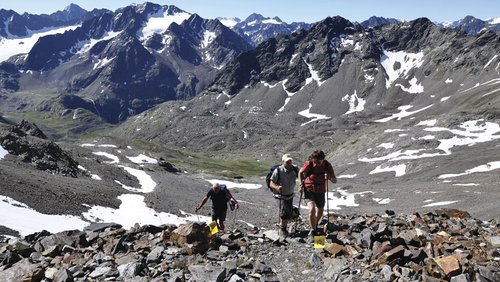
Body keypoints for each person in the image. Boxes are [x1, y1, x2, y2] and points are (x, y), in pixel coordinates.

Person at [298, 149, 336, 241]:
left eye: (319, 161)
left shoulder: (327, 165)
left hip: (321, 190)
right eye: (316, 161)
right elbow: (300, 172)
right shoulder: (309, 164)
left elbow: (335, 180)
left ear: (323, 159)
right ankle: (313, 230)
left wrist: (329, 177)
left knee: (320, 210)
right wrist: (300, 184)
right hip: (309, 188)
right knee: (311, 209)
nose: (317, 163)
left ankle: (315, 225)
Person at [269, 153, 298, 237]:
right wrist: (277, 187)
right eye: (287, 162)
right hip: (280, 195)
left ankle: (283, 227)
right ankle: (283, 229)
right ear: (283, 162)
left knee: (288, 213)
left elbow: (301, 176)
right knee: (284, 212)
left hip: (290, 195)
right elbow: (271, 183)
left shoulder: (295, 169)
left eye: (290, 161)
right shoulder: (278, 170)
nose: (289, 163)